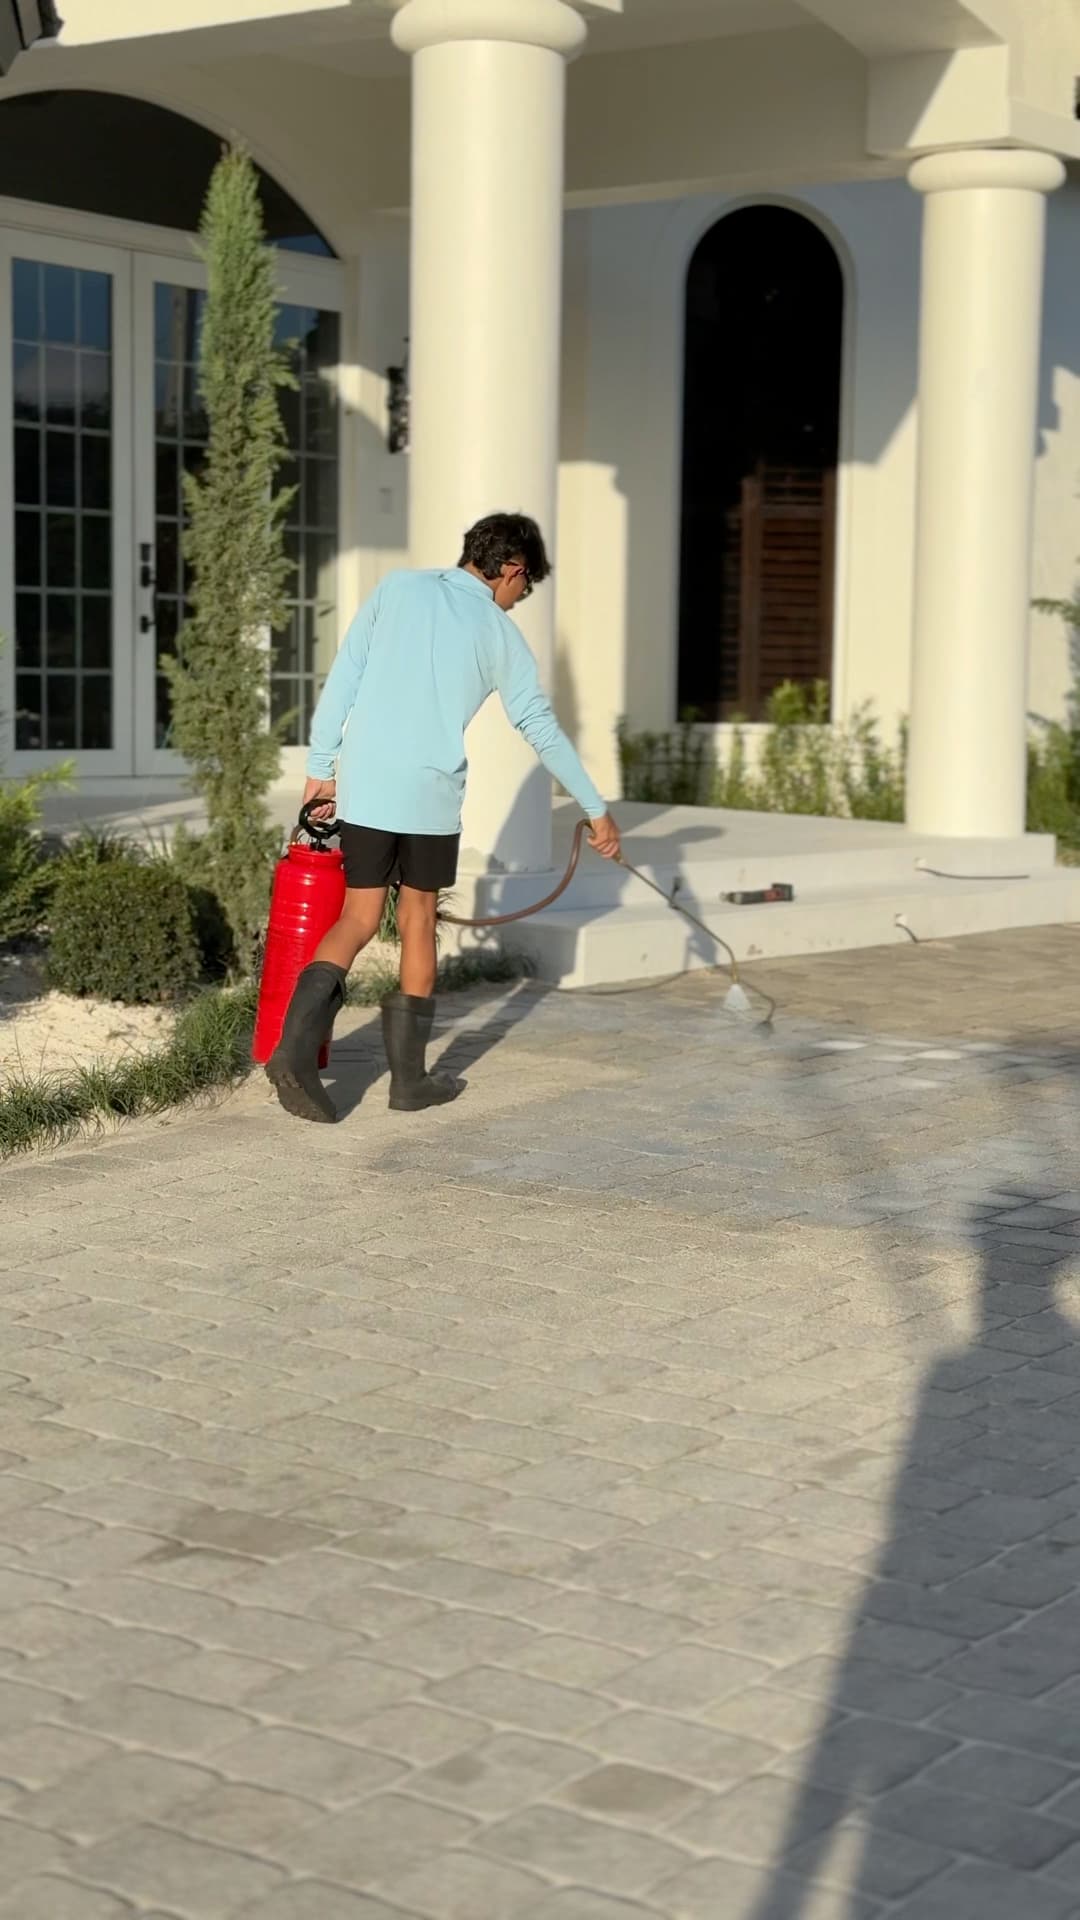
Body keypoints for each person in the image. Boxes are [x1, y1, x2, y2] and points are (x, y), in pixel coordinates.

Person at [267, 512, 621, 1124]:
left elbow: (344, 675)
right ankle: (410, 1082)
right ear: (511, 570)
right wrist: (595, 809)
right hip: (428, 796)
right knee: (418, 916)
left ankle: (293, 1056)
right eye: (524, 587)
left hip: (367, 785)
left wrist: (321, 766)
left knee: (358, 915)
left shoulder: (396, 588)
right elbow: (537, 725)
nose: (518, 600)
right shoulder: (499, 635)